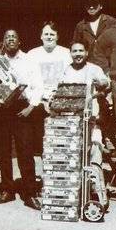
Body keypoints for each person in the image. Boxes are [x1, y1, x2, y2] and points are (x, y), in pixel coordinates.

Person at [0, 29, 43, 210]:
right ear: (3, 41)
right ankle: (7, 190)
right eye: (7, 37)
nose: (10, 39)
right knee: (3, 152)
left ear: (19, 42)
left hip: (21, 109)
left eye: (14, 37)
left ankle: (30, 193)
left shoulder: (28, 60)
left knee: (26, 151)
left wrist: (31, 107)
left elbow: (38, 85)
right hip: (1, 110)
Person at [72, 0, 116, 152]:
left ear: (100, 6)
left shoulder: (110, 22)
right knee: (95, 106)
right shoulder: (81, 26)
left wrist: (112, 71)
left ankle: (114, 139)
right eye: (88, 4)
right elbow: (76, 47)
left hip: (110, 71)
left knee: (113, 106)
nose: (91, 7)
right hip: (91, 72)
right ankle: (100, 140)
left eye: (94, 4)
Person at [26, 21, 72, 159]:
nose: (49, 37)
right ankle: (44, 174)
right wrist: (35, 100)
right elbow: (27, 80)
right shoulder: (32, 54)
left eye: (52, 34)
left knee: (60, 140)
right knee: (41, 141)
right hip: (39, 104)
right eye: (46, 34)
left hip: (60, 103)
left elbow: (70, 77)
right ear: (41, 36)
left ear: (57, 36)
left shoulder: (66, 53)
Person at [60, 41, 110, 166]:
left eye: (81, 51)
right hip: (71, 118)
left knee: (95, 146)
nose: (78, 54)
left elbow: (105, 82)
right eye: (74, 51)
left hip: (91, 118)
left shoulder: (94, 69)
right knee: (74, 150)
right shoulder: (66, 70)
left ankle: (93, 178)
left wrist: (102, 83)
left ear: (86, 53)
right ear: (70, 53)